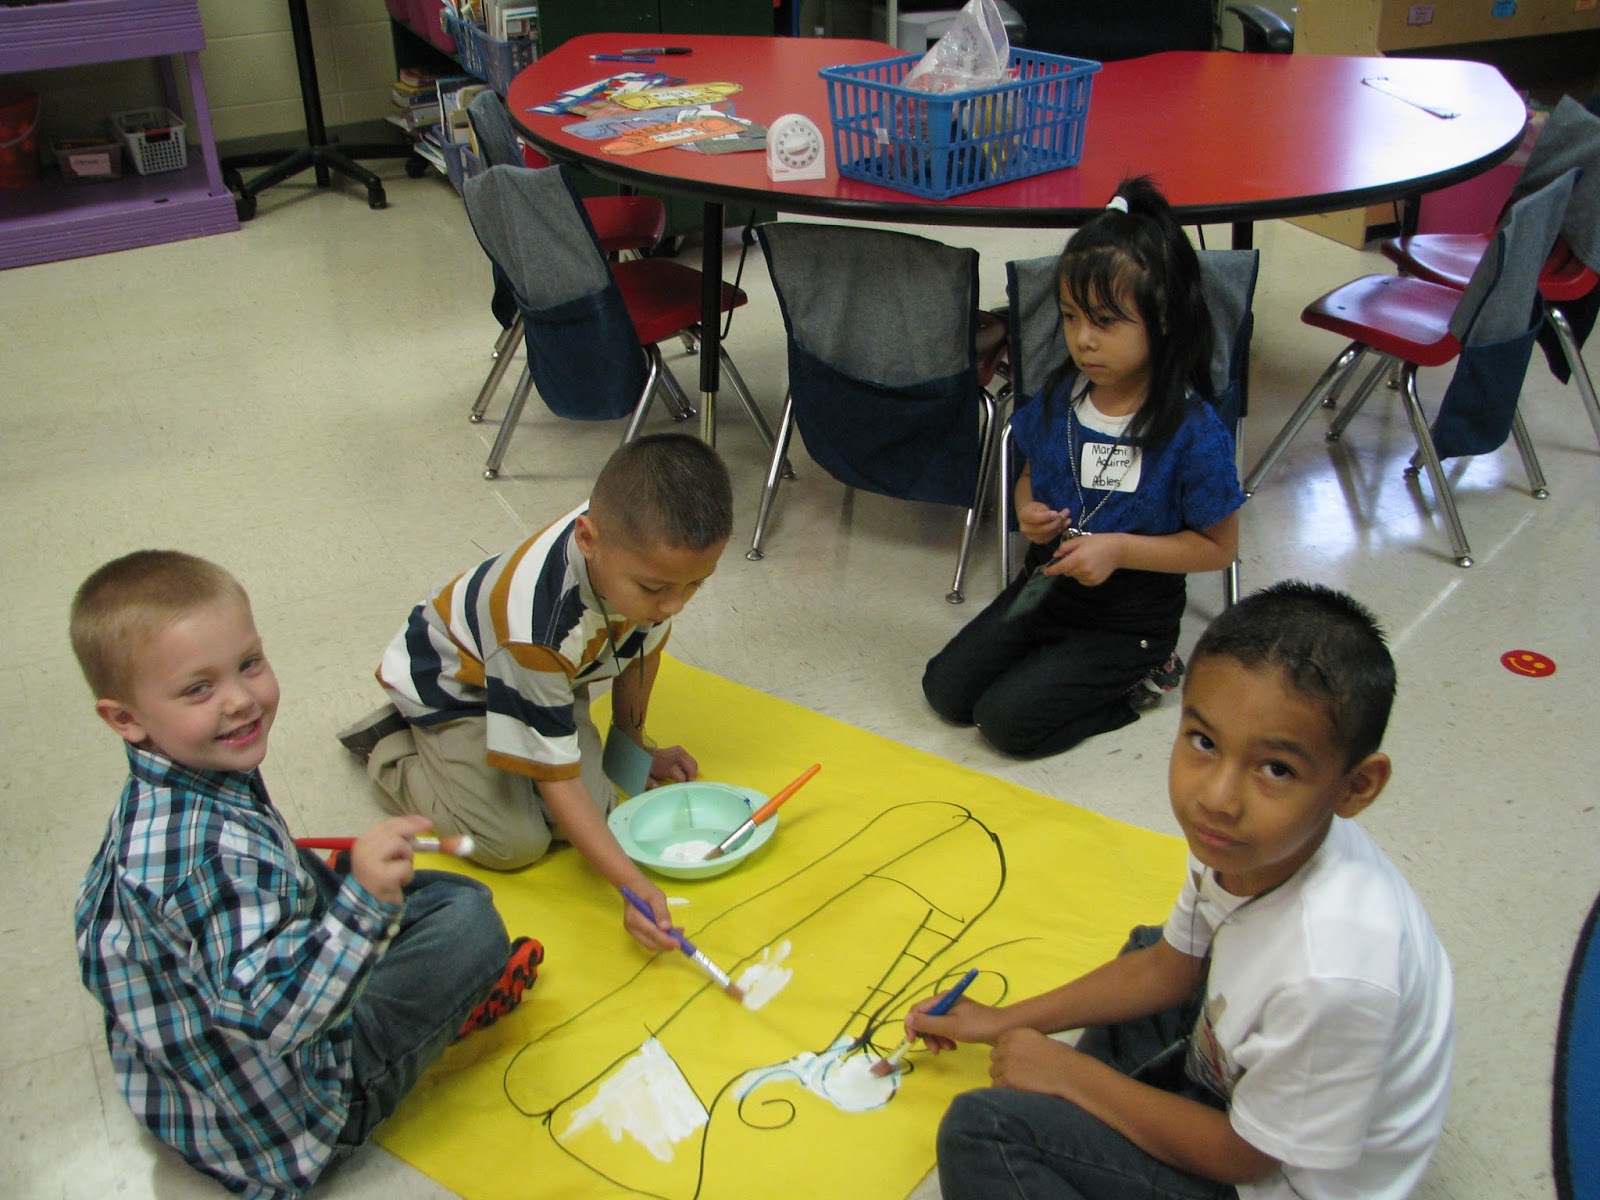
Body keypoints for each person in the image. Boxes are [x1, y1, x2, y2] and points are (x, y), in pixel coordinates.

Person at [913, 580, 1456, 1200]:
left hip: (1268, 1177)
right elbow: (1166, 970)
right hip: (1247, 1091)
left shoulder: (1330, 974)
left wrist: (1071, 1077)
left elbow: (1244, 1158)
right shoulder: (1248, 844)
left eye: (1276, 769)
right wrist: (1001, 1021)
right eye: (1204, 742)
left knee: (985, 1130)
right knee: (1157, 947)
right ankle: (1111, 1106)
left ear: (1356, 787)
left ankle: (1098, 1107)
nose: (1217, 798)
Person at [72, 550, 539, 1200]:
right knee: (472, 922)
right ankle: (441, 1015)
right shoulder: (207, 859)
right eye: (198, 689)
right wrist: (362, 905)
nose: (241, 700)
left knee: (427, 891)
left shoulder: (169, 786)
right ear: (124, 718)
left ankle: (342, 909)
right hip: (292, 1121)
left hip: (187, 1085)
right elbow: (278, 1019)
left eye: (249, 664)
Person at [336, 432, 732, 951]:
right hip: (455, 688)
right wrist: (632, 887)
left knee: (599, 814)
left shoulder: (639, 560)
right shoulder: (537, 627)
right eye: (655, 589)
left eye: (695, 585)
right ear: (587, 538)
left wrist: (634, 747)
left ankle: (521, 730)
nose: (673, 605)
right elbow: (556, 778)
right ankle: (390, 748)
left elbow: (643, 652)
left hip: (550, 678)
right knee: (511, 844)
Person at [922, 176, 1246, 757]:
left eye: (1105, 321)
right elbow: (1029, 476)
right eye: (1071, 317)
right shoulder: (1061, 398)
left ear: (1163, 319)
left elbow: (1218, 547)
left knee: (1006, 725)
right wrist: (1027, 509)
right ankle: (1055, 665)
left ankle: (1145, 678)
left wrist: (1118, 550)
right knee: (945, 691)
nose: (1083, 340)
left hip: (1129, 619)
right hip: (1048, 584)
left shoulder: (1193, 432)